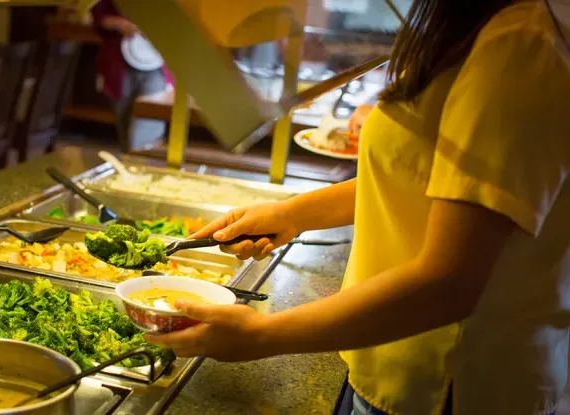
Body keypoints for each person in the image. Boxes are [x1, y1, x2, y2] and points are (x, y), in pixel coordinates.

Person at [146, 1, 570, 414]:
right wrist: (292, 214)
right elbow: (422, 176)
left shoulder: (519, 41)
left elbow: (452, 280)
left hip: (449, 386)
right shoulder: (470, 22)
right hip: (389, 360)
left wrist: (260, 335)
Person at [90, 0, 173, 152]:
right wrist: (119, 23)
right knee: (124, 126)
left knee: (145, 128)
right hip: (118, 64)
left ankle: (141, 165)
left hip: (157, 65)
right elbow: (98, 16)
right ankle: (132, 165)